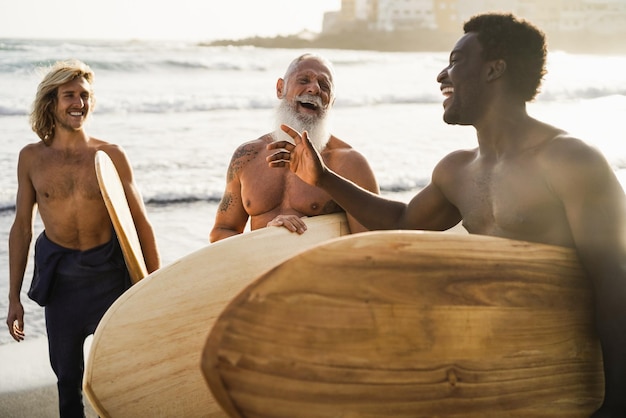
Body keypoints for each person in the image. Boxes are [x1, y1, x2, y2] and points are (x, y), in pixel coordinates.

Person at [267, 13, 626, 417]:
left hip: (568, 377)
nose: (442, 74)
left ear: (494, 70)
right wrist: (324, 177)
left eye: (456, 61)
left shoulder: (570, 160)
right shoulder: (457, 170)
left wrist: (615, 403)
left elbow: (615, 283)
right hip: (498, 375)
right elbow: (403, 221)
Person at [6, 59, 161, 417]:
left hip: (110, 278)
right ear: (51, 102)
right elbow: (22, 228)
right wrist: (13, 297)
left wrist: (154, 288)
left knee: (124, 377)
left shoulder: (110, 155)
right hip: (62, 284)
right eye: (69, 95)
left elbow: (140, 224)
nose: (79, 102)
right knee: (66, 382)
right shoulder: (31, 158)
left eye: (85, 95)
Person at [209, 53, 379, 242]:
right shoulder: (247, 157)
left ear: (332, 101)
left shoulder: (350, 164)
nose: (314, 89)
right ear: (280, 88)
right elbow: (221, 232)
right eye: (304, 80)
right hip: (263, 269)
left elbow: (369, 247)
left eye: (324, 86)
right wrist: (269, 232)